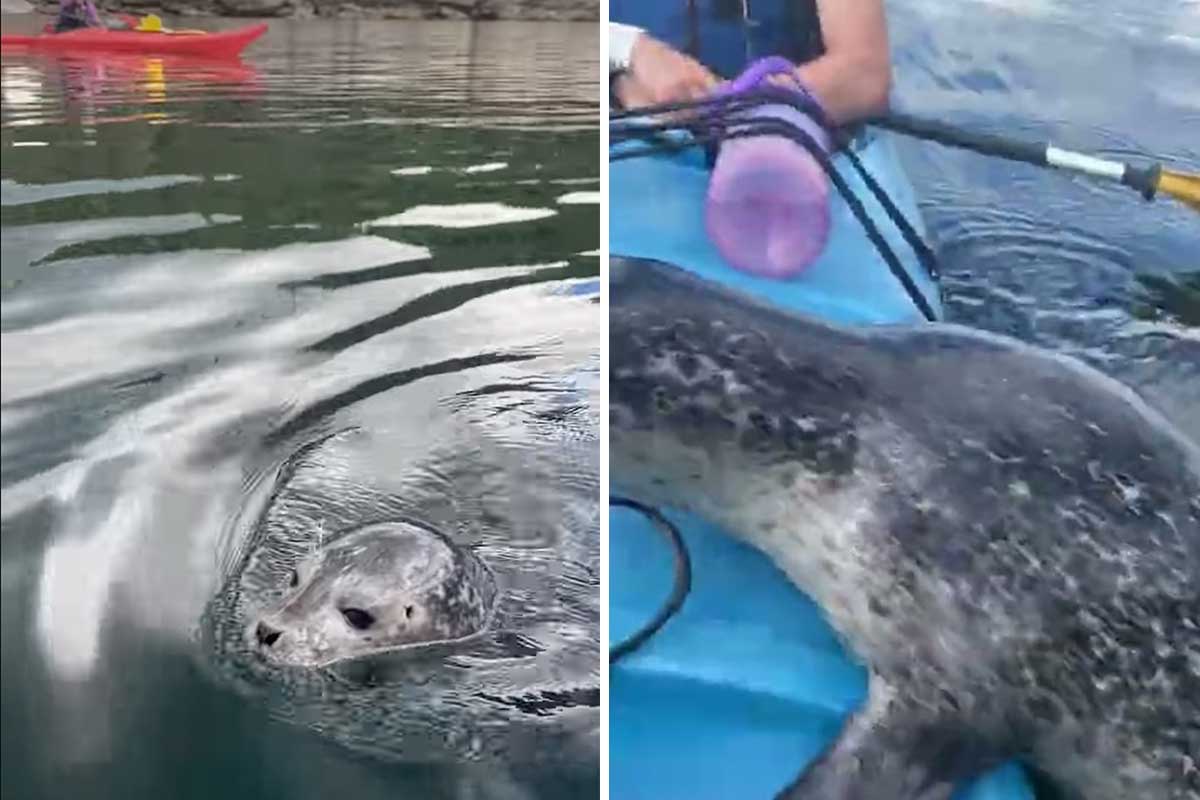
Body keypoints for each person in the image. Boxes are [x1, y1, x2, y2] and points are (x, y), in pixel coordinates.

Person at [609, 0, 892, 126]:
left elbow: (864, 74)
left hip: (800, 159)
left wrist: (744, 109)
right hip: (643, 166)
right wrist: (630, 50)